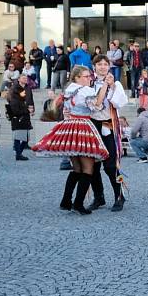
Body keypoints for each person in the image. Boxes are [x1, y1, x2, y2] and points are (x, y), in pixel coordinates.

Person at [32, 65, 110, 215]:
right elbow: (97, 105)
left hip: (70, 127)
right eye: (86, 76)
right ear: (77, 78)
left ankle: (66, 200)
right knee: (88, 168)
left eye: (89, 76)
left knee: (77, 168)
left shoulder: (69, 89)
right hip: (83, 127)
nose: (89, 79)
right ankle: (78, 204)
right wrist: (105, 86)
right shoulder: (86, 90)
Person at [88, 55, 129, 212]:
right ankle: (99, 197)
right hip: (92, 125)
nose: (103, 67)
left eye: (106, 64)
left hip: (108, 124)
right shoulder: (90, 84)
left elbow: (120, 103)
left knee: (111, 165)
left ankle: (119, 195)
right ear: (94, 66)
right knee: (93, 164)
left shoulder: (116, 84)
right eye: (100, 64)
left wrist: (111, 87)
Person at [7, 74, 35, 161]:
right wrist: (26, 109)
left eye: (26, 78)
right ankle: (18, 154)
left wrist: (32, 109)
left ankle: (19, 153)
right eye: (23, 78)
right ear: (19, 79)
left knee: (26, 138)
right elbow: (14, 102)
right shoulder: (15, 89)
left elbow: (30, 99)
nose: (25, 79)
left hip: (25, 114)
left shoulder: (28, 88)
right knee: (18, 136)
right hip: (18, 114)